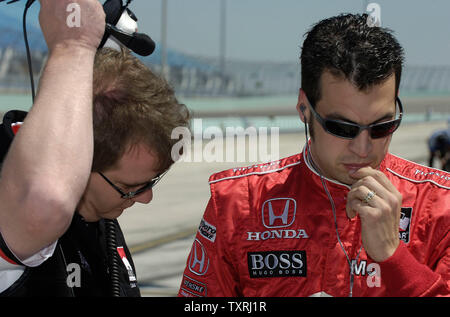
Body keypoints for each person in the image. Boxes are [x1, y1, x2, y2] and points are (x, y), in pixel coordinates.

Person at [178, 13, 449, 297]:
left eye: (382, 126)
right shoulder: (237, 202)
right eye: (342, 127)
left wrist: (395, 258)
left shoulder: (442, 206)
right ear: (304, 108)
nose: (363, 147)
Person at [0, 1, 190, 296]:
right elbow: (44, 202)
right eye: (131, 187)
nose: (146, 198)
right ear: (79, 160)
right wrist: (73, 46)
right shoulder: (14, 199)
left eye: (149, 183)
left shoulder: (101, 211)